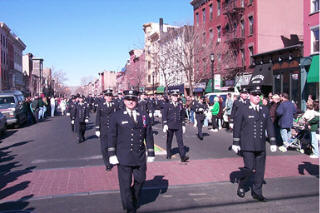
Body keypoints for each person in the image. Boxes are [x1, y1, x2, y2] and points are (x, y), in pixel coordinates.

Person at [108, 89, 155, 213]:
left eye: (133, 99)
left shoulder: (143, 115)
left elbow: (148, 134)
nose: (131, 101)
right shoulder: (116, 116)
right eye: (128, 99)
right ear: (124, 101)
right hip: (124, 155)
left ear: (136, 100)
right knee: (125, 184)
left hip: (139, 155)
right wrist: (112, 153)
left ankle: (133, 198)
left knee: (141, 179)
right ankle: (129, 207)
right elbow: (112, 135)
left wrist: (151, 151)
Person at [232, 86, 277, 202]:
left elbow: (269, 126)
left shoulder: (264, 109)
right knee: (249, 168)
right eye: (255, 94)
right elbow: (237, 126)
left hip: (260, 144)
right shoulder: (243, 108)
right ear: (250, 96)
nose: (258, 96)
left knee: (260, 170)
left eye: (259, 95)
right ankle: (242, 184)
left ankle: (257, 192)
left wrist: (272, 141)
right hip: (247, 144)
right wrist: (235, 142)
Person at [162, 91, 189, 162]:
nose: (175, 97)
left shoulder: (180, 105)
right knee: (169, 140)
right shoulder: (167, 105)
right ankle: (168, 153)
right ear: (171, 97)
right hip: (170, 125)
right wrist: (165, 124)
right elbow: (164, 115)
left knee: (180, 141)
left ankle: (183, 156)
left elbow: (183, 115)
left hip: (178, 125)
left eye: (176, 96)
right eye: (174, 96)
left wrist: (183, 124)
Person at [95, 89, 117, 171]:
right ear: (104, 97)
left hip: (113, 129)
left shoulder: (115, 104)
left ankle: (113, 159)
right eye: (107, 96)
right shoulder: (101, 105)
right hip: (103, 129)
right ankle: (107, 164)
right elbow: (98, 117)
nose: (109, 97)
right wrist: (97, 128)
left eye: (110, 96)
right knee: (104, 148)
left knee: (113, 146)